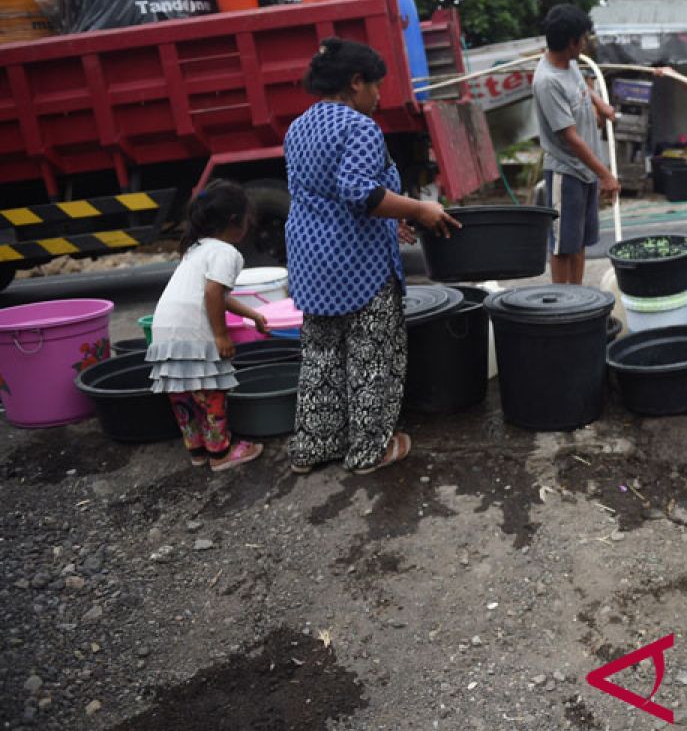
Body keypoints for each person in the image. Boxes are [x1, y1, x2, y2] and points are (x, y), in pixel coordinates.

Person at [285, 37, 460, 475]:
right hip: (357, 264)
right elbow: (360, 193)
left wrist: (391, 218)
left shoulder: (299, 126)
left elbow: (327, 194)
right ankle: (369, 451)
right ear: (355, 82)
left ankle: (313, 446)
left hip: (311, 260)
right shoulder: (358, 126)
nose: (380, 96)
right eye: (376, 86)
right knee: (371, 354)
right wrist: (420, 209)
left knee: (321, 354)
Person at [146, 180, 267, 472]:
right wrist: (222, 335)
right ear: (235, 221)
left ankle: (198, 450)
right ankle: (221, 453)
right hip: (192, 331)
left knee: (182, 393)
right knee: (211, 391)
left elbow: (215, 295)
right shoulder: (227, 253)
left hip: (164, 332)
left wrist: (252, 314)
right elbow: (213, 293)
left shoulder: (197, 248)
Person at [532, 4, 619, 285]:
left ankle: (578, 299)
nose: (585, 44)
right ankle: (562, 305)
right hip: (566, 172)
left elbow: (582, 87)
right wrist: (606, 174)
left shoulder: (569, 64)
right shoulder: (547, 81)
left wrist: (600, 103)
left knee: (579, 241)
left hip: (585, 170)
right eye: (582, 38)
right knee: (562, 247)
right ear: (571, 42)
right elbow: (569, 137)